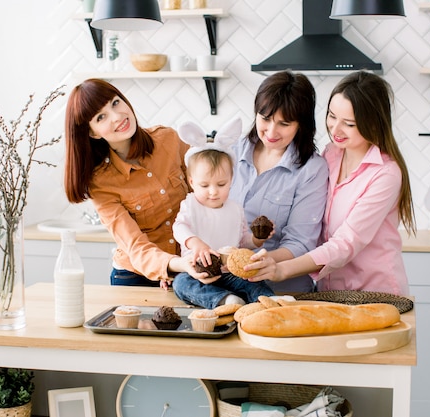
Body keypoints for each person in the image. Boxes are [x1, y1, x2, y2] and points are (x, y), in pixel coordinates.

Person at [245, 71, 416, 295]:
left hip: (375, 293)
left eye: (349, 124)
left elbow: (345, 243)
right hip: (329, 291)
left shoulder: (385, 174)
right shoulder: (330, 155)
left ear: (373, 123)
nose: (335, 129)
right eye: (332, 116)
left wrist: (281, 270)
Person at [63, 78, 208, 288]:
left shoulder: (168, 139)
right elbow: (135, 246)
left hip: (191, 265)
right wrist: (176, 264)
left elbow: (207, 195)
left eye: (115, 103)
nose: (117, 116)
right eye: (101, 117)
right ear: (92, 132)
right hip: (136, 278)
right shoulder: (101, 183)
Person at [229, 71, 329, 293]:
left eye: (283, 123)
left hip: (284, 292)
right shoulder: (230, 155)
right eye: (265, 119)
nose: (271, 132)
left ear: (301, 125)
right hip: (226, 287)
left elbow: (301, 243)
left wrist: (255, 263)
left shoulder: (312, 169)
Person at [171, 118, 275, 309]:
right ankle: (224, 300)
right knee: (181, 284)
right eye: (204, 185)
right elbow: (178, 228)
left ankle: (271, 302)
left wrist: (258, 240)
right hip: (198, 274)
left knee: (253, 282)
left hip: (230, 273)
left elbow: (243, 241)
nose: (213, 191)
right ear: (192, 182)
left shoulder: (235, 209)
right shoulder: (190, 204)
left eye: (221, 184)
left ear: (231, 180)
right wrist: (196, 243)